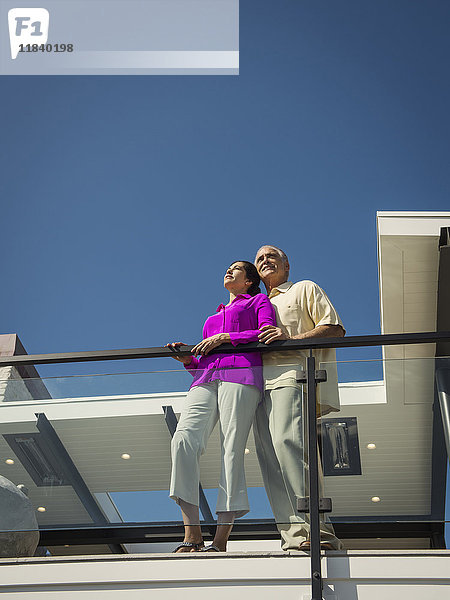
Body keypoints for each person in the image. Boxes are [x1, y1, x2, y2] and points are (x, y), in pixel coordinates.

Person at [167, 261, 276, 553]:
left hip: (242, 376)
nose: (228, 271)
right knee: (182, 441)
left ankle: (220, 540)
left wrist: (227, 337)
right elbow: (202, 361)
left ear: (249, 281)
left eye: (236, 269)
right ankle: (192, 532)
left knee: (231, 448)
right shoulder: (210, 318)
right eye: (227, 268)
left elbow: (267, 331)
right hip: (205, 379)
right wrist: (189, 361)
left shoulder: (259, 301)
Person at [253, 245, 345, 551]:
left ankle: (321, 534)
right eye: (260, 258)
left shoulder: (304, 288)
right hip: (254, 387)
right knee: (272, 463)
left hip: (293, 377)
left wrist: (290, 339)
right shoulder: (253, 303)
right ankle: (294, 538)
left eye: (271, 256)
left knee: (290, 448)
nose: (265, 260)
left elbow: (334, 329)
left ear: (286, 265)